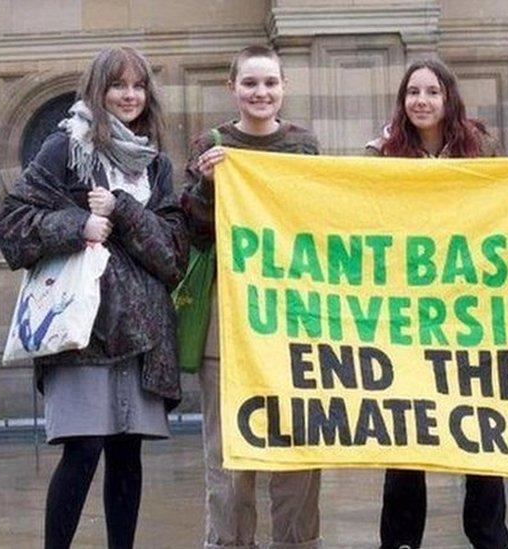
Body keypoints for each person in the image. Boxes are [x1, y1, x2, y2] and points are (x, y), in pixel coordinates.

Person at [0, 46, 189, 549]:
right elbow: (12, 226)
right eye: (118, 86)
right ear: (98, 92)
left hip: (141, 337)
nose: (129, 95)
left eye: (138, 86)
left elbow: (172, 256)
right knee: (81, 453)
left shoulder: (156, 165)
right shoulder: (65, 150)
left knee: (127, 460)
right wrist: (78, 223)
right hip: (81, 334)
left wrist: (121, 208)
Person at [365, 59, 508, 549]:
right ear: (402, 101)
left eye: (431, 91)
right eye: (413, 92)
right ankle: (401, 541)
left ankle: (490, 539)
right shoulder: (383, 155)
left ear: (448, 97)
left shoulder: (483, 149)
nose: (421, 101)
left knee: (481, 438)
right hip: (407, 322)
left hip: (471, 317)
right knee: (405, 438)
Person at [182, 45, 322, 549]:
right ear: (233, 88)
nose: (260, 93)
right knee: (227, 454)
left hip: (295, 323)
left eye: (269, 83)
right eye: (250, 84)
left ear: (283, 87)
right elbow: (192, 237)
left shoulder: (305, 146)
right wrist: (207, 185)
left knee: (300, 447)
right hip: (228, 323)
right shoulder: (210, 145)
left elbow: (324, 225)